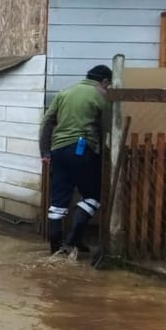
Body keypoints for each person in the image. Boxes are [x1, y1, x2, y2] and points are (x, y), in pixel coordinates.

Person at [39, 64, 111, 269]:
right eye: (108, 85)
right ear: (104, 82)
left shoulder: (65, 92)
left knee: (59, 199)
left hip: (58, 151)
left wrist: (44, 152)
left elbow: (47, 122)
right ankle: (73, 239)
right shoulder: (100, 96)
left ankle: (56, 249)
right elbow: (108, 127)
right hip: (82, 149)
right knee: (93, 195)